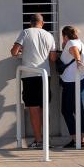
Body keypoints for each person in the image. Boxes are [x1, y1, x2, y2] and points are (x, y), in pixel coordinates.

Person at [10, 14, 57, 149]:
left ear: (30, 23)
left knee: (34, 109)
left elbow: (14, 52)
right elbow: (53, 58)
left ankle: (39, 140)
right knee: (44, 108)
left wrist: (24, 51)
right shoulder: (49, 35)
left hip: (29, 75)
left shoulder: (25, 32)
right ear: (42, 23)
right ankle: (47, 141)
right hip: (44, 75)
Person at [56, 25, 84, 148]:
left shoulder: (71, 43)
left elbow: (74, 50)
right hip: (81, 79)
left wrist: (78, 60)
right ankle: (82, 140)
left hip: (72, 82)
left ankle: (76, 140)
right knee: (79, 109)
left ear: (65, 36)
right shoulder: (79, 42)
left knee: (67, 110)